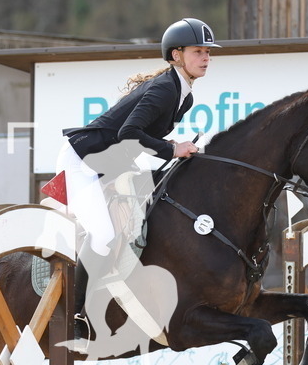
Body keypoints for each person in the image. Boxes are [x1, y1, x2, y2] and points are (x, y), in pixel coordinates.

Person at [55, 17, 221, 333]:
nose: (206, 58)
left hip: (110, 162)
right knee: (103, 234)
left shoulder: (184, 95)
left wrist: (173, 147)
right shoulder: (165, 89)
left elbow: (140, 137)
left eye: (208, 52)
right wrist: (172, 149)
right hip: (81, 161)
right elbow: (130, 132)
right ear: (177, 55)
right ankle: (74, 315)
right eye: (198, 51)